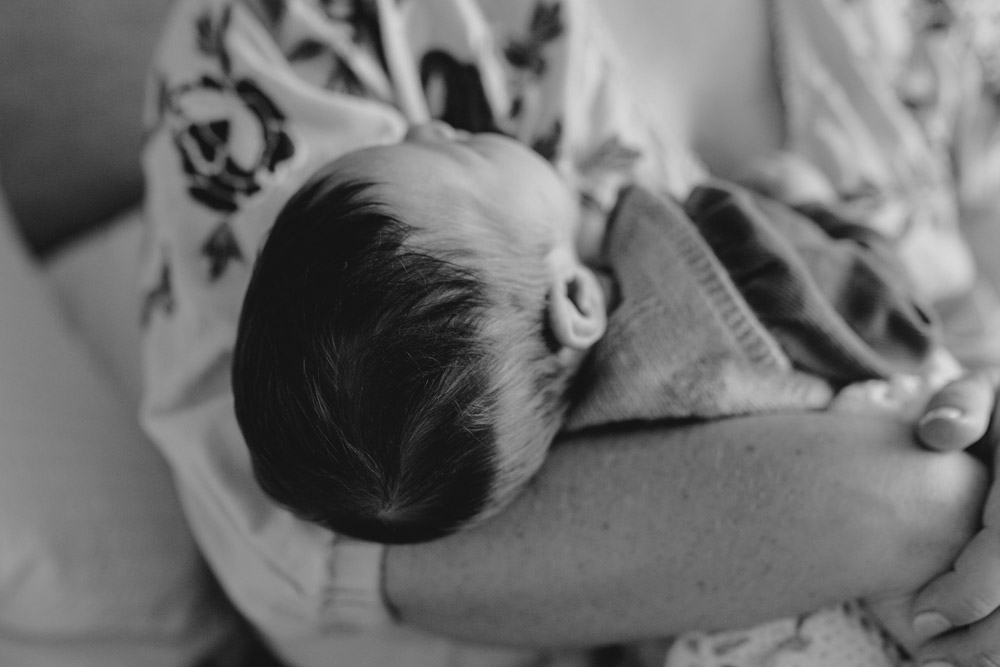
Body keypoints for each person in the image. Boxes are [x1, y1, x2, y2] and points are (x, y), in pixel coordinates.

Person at [140, 0, 1000, 665]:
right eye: (459, 153)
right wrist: (906, 503)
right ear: (579, 302)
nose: (433, 129)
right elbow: (323, 536)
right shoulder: (299, 32)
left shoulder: (917, 23)